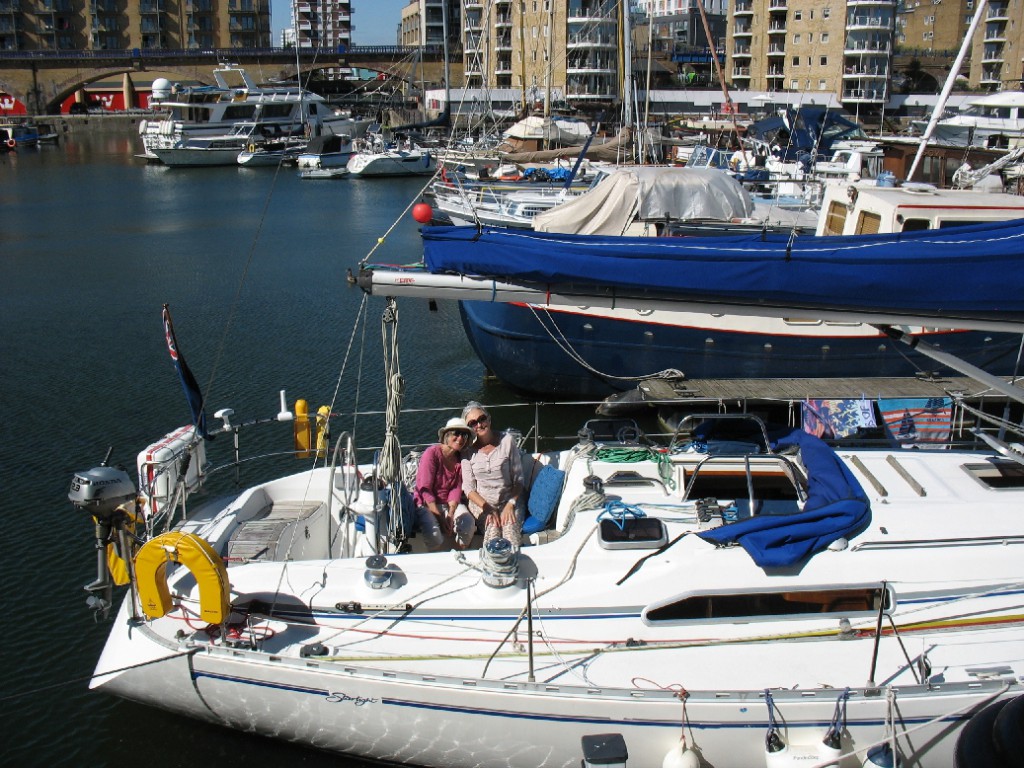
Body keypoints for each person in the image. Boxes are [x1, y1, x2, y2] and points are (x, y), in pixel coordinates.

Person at [461, 401, 524, 550]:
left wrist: (510, 504)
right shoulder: (467, 451)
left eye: (482, 419)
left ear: (489, 419)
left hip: (510, 500)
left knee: (510, 532)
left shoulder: (507, 441)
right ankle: (492, 567)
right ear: (469, 428)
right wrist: (488, 508)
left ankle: (512, 566)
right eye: (472, 423)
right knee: (492, 529)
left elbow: (519, 479)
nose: (479, 425)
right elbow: (469, 489)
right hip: (482, 503)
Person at [413, 417, 474, 551]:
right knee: (434, 533)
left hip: (448, 504)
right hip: (426, 504)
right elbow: (425, 489)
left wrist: (451, 513)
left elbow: (455, 488)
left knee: (468, 523)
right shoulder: (432, 454)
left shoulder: (459, 459)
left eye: (464, 435)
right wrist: (440, 519)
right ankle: (435, 558)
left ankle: (460, 553)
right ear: (446, 435)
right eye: (456, 433)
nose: (460, 438)